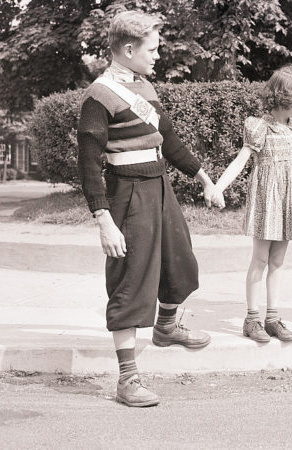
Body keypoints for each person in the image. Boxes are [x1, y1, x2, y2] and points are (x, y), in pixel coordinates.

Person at [77, 10, 220, 407]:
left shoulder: (144, 86)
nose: (158, 56)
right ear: (128, 49)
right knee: (131, 280)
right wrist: (104, 221)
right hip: (126, 194)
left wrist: (204, 179)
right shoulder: (99, 96)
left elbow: (167, 138)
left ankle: (167, 327)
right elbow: (89, 166)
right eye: (153, 49)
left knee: (179, 262)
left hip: (160, 188)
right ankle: (127, 379)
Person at [212, 65, 292, 343]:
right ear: (283, 99)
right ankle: (252, 318)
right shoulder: (259, 127)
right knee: (260, 259)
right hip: (267, 201)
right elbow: (241, 160)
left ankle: (272, 318)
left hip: (288, 202)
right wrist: (219, 187)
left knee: (278, 261)